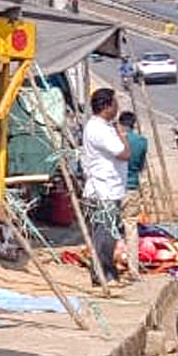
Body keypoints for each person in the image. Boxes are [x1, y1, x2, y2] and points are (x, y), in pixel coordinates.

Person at [78, 87, 131, 284]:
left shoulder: (103, 126)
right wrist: (122, 133)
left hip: (110, 189)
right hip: (103, 190)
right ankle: (102, 275)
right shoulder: (99, 129)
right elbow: (124, 153)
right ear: (107, 106)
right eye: (115, 104)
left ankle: (108, 273)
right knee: (104, 237)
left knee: (109, 235)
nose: (117, 108)